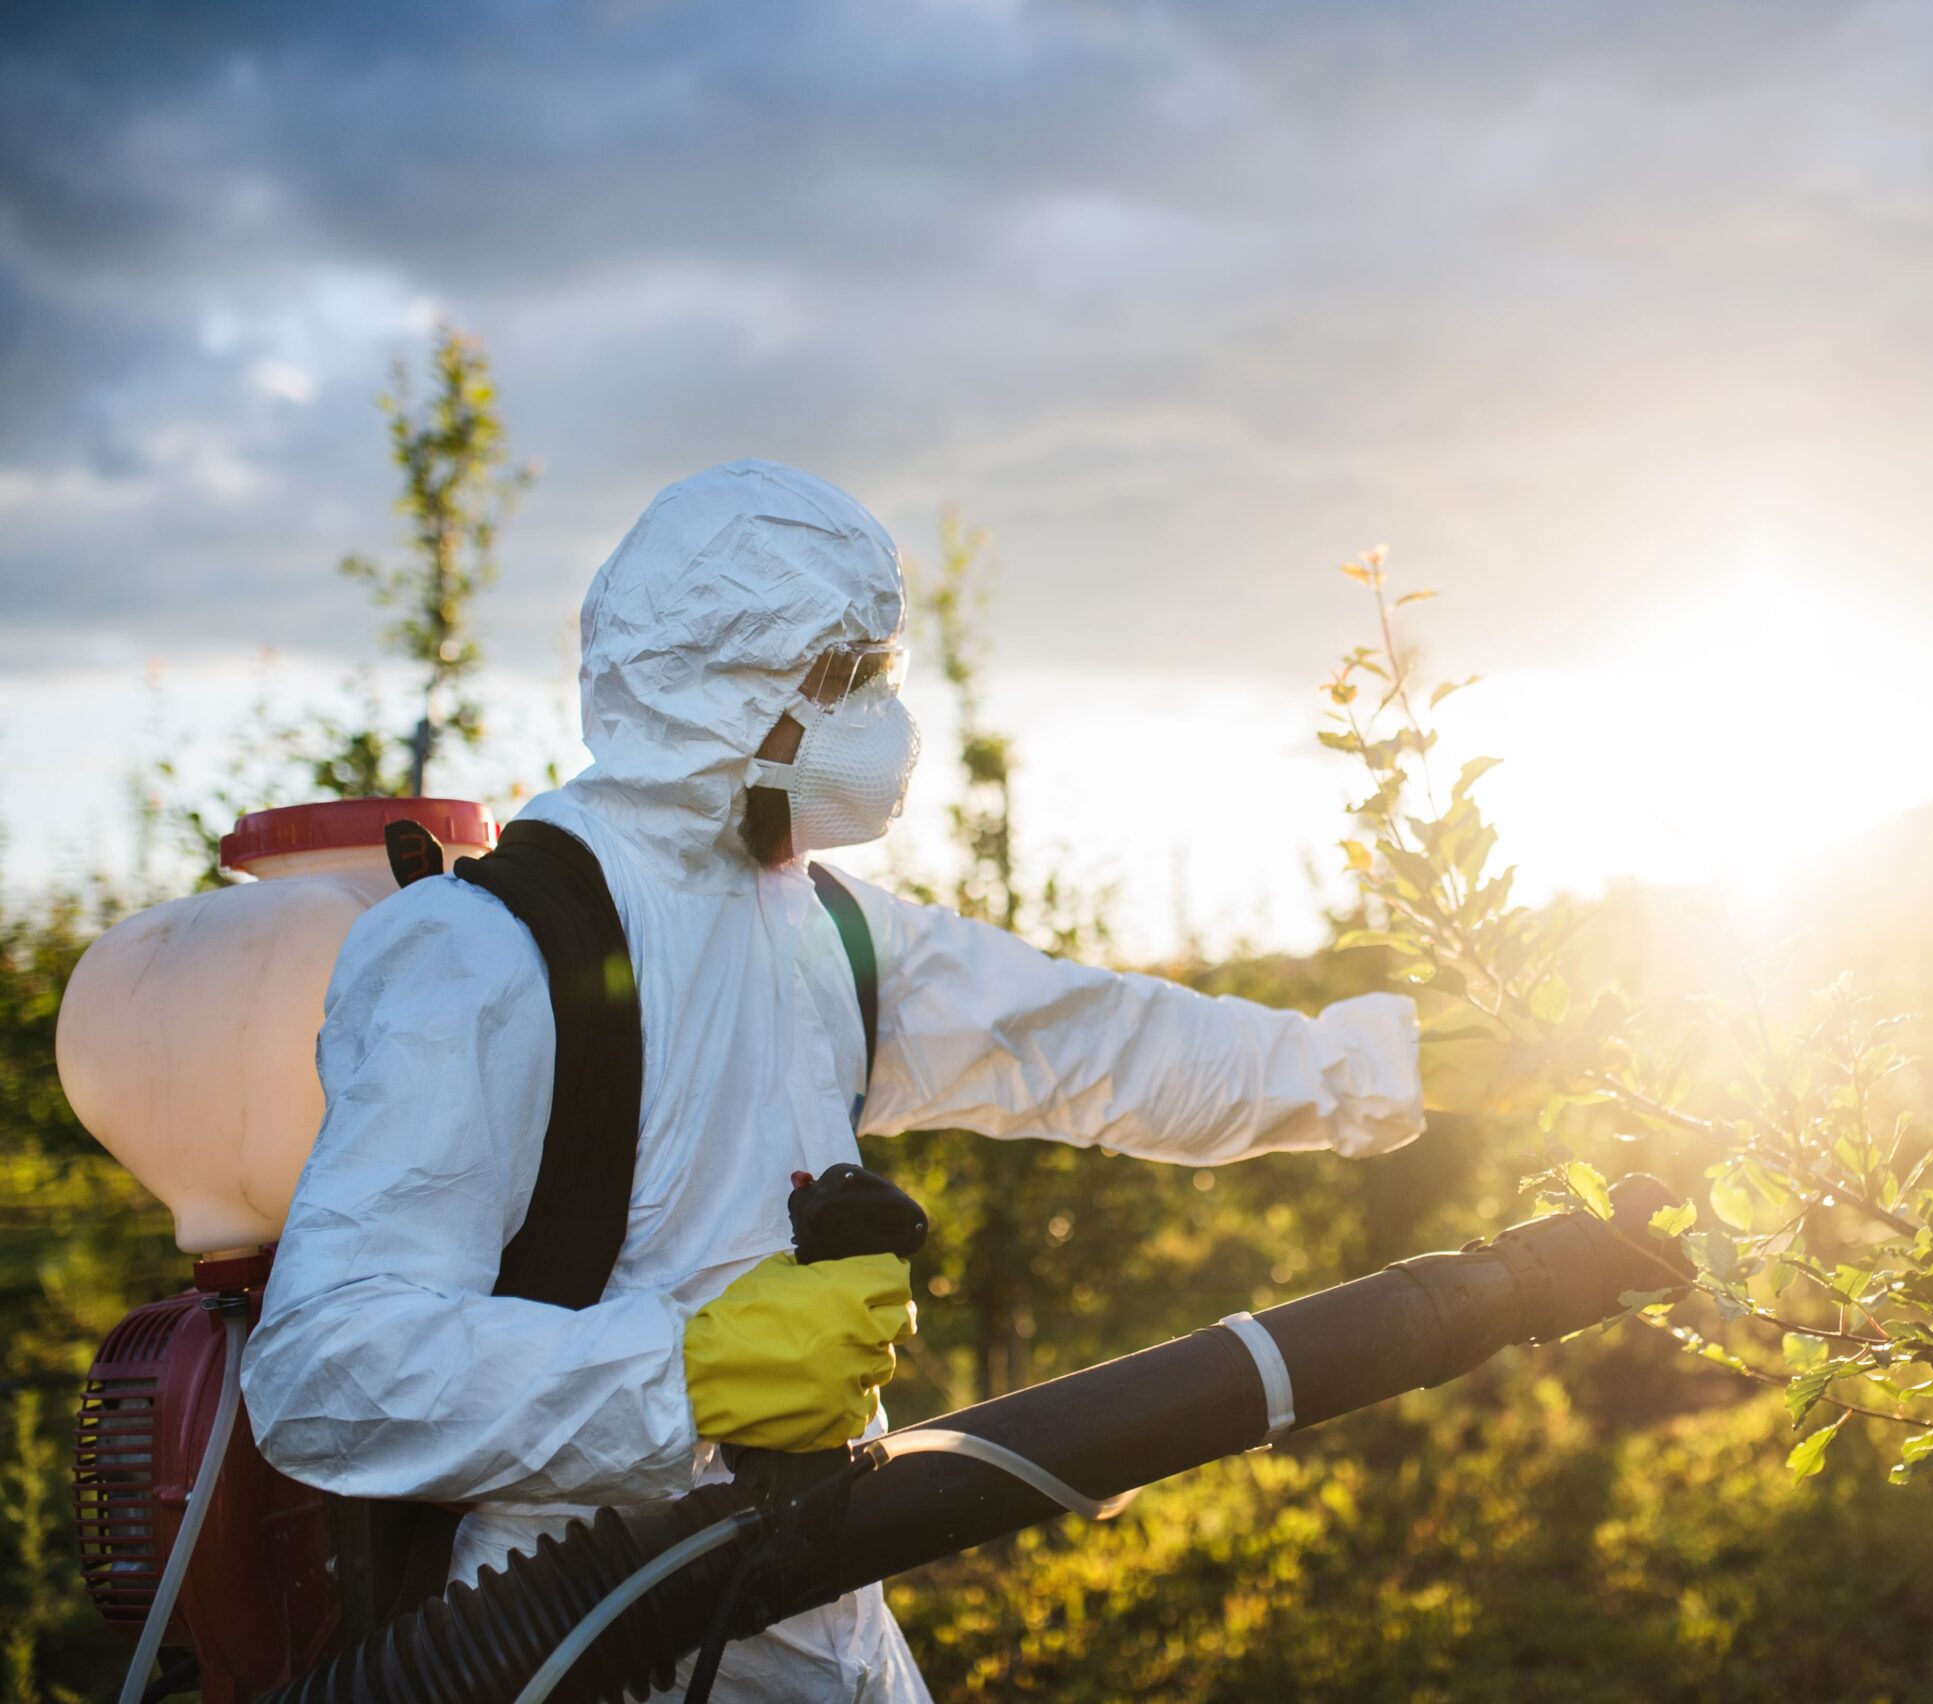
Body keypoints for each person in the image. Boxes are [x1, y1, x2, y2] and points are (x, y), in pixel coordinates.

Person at [242, 459, 1425, 1698]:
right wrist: (685, 1371)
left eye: (883, 672)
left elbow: (1095, 1043)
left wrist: (1385, 1068)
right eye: (841, 677)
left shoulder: (825, 930)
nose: (881, 723)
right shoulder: (486, 951)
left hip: (821, 1605)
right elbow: (327, 1369)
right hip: (583, 1633)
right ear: (712, 689)